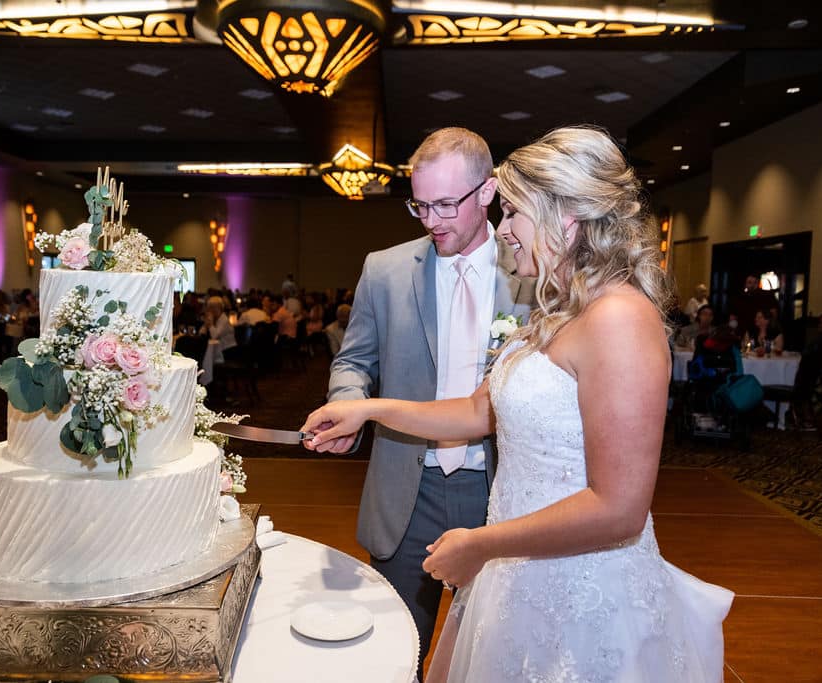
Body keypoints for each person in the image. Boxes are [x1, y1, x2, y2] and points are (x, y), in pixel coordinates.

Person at [304, 126, 732, 682]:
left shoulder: (620, 319)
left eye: (513, 214)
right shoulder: (561, 312)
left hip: (577, 581)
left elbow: (620, 508)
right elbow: (479, 412)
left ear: (566, 218)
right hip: (516, 569)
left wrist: (483, 544)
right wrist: (368, 409)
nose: (502, 231)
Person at [308, 127, 534, 676]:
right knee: (395, 652)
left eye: (445, 204)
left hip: (498, 488)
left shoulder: (533, 274)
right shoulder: (383, 271)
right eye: (420, 205)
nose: (431, 220)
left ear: (487, 193)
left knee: (491, 654)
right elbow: (354, 362)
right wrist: (349, 405)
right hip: (408, 489)